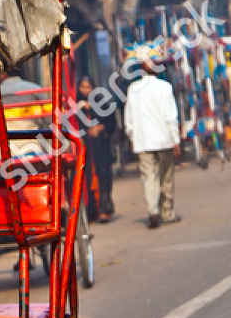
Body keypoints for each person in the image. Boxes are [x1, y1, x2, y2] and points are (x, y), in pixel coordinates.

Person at [123, 45, 181, 228]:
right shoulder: (165, 87)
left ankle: (153, 211)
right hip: (164, 140)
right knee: (166, 177)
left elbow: (129, 117)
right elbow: (170, 116)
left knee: (149, 177)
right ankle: (167, 213)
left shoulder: (133, 89)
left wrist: (131, 136)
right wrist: (176, 139)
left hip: (143, 141)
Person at [76, 75, 116, 222]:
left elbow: (111, 122)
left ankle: (105, 208)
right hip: (84, 148)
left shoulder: (102, 103)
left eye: (88, 87)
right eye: (82, 87)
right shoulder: (75, 104)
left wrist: (100, 127)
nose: (85, 91)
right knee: (85, 177)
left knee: (103, 176)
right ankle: (90, 210)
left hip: (100, 147)